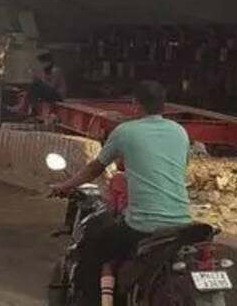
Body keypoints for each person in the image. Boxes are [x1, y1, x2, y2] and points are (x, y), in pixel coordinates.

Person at [49, 81, 192, 305]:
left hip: (144, 225)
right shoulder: (180, 132)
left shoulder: (125, 131)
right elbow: (179, 168)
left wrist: (65, 186)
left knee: (92, 249)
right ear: (163, 105)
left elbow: (94, 169)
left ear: (136, 104)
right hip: (182, 221)